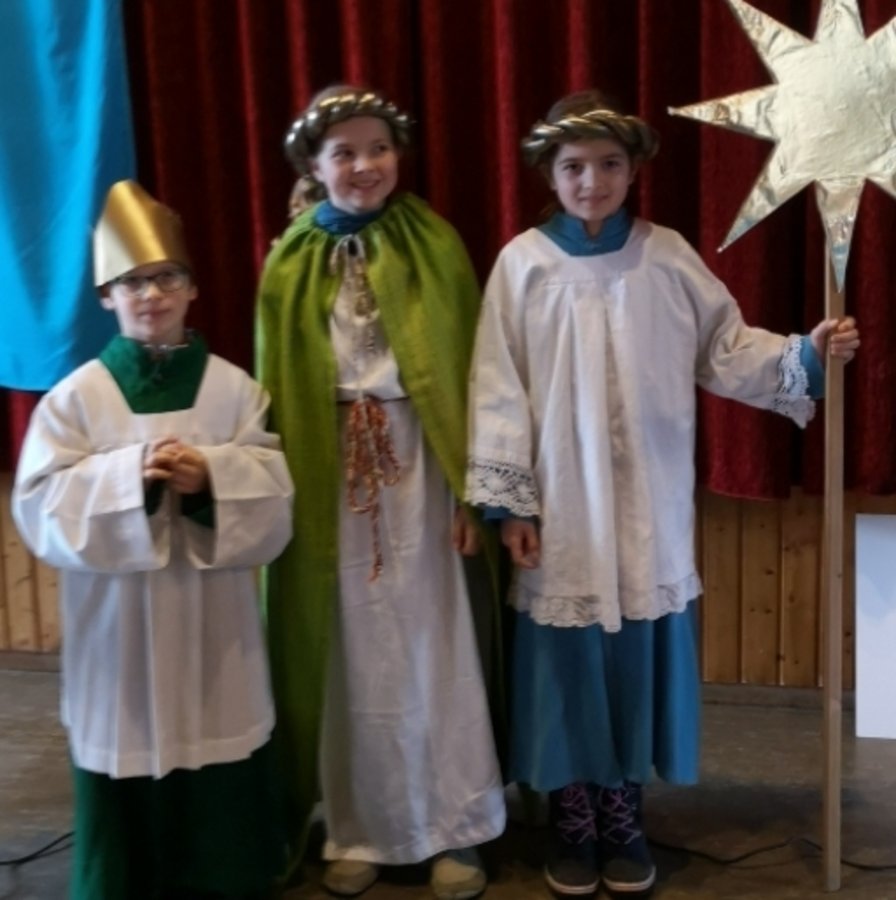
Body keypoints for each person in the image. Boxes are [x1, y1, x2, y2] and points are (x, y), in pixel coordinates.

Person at [464, 90, 860, 898]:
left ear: (634, 170)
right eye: (575, 167)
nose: (593, 181)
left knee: (634, 667)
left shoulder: (666, 256)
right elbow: (496, 387)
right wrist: (512, 507)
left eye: (610, 164)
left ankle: (623, 814)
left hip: (647, 505)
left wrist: (806, 356)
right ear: (549, 173)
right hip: (562, 510)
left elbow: (725, 347)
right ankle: (573, 819)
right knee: (569, 671)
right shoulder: (522, 265)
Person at [12, 180, 295, 900]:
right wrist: (126, 478)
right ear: (106, 296)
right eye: (133, 282)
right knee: (126, 740)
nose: (152, 295)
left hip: (212, 617)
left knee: (218, 729)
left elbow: (275, 495)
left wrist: (212, 479)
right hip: (116, 630)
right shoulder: (75, 400)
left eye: (167, 277)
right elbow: (39, 506)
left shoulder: (235, 391)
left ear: (193, 288)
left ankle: (226, 879)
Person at [256, 86, 505, 900]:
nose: (364, 166)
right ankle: (358, 828)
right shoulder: (290, 259)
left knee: (436, 640)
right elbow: (277, 382)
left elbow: (469, 372)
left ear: (399, 155)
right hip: (329, 467)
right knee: (350, 651)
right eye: (344, 153)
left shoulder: (433, 242)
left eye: (378, 149)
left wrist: (471, 494)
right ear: (314, 164)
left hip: (422, 462)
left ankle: (455, 828)